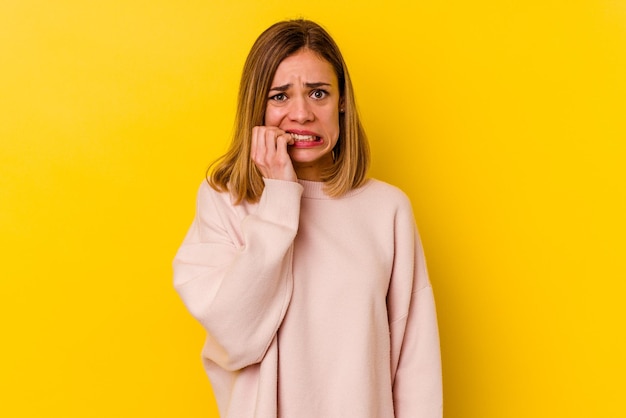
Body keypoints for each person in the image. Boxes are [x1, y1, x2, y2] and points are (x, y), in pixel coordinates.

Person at [173, 19, 442, 418]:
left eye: (319, 93)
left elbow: (415, 365)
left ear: (342, 102)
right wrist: (280, 197)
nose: (301, 114)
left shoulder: (388, 210)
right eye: (280, 96)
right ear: (257, 107)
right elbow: (236, 335)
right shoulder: (224, 203)